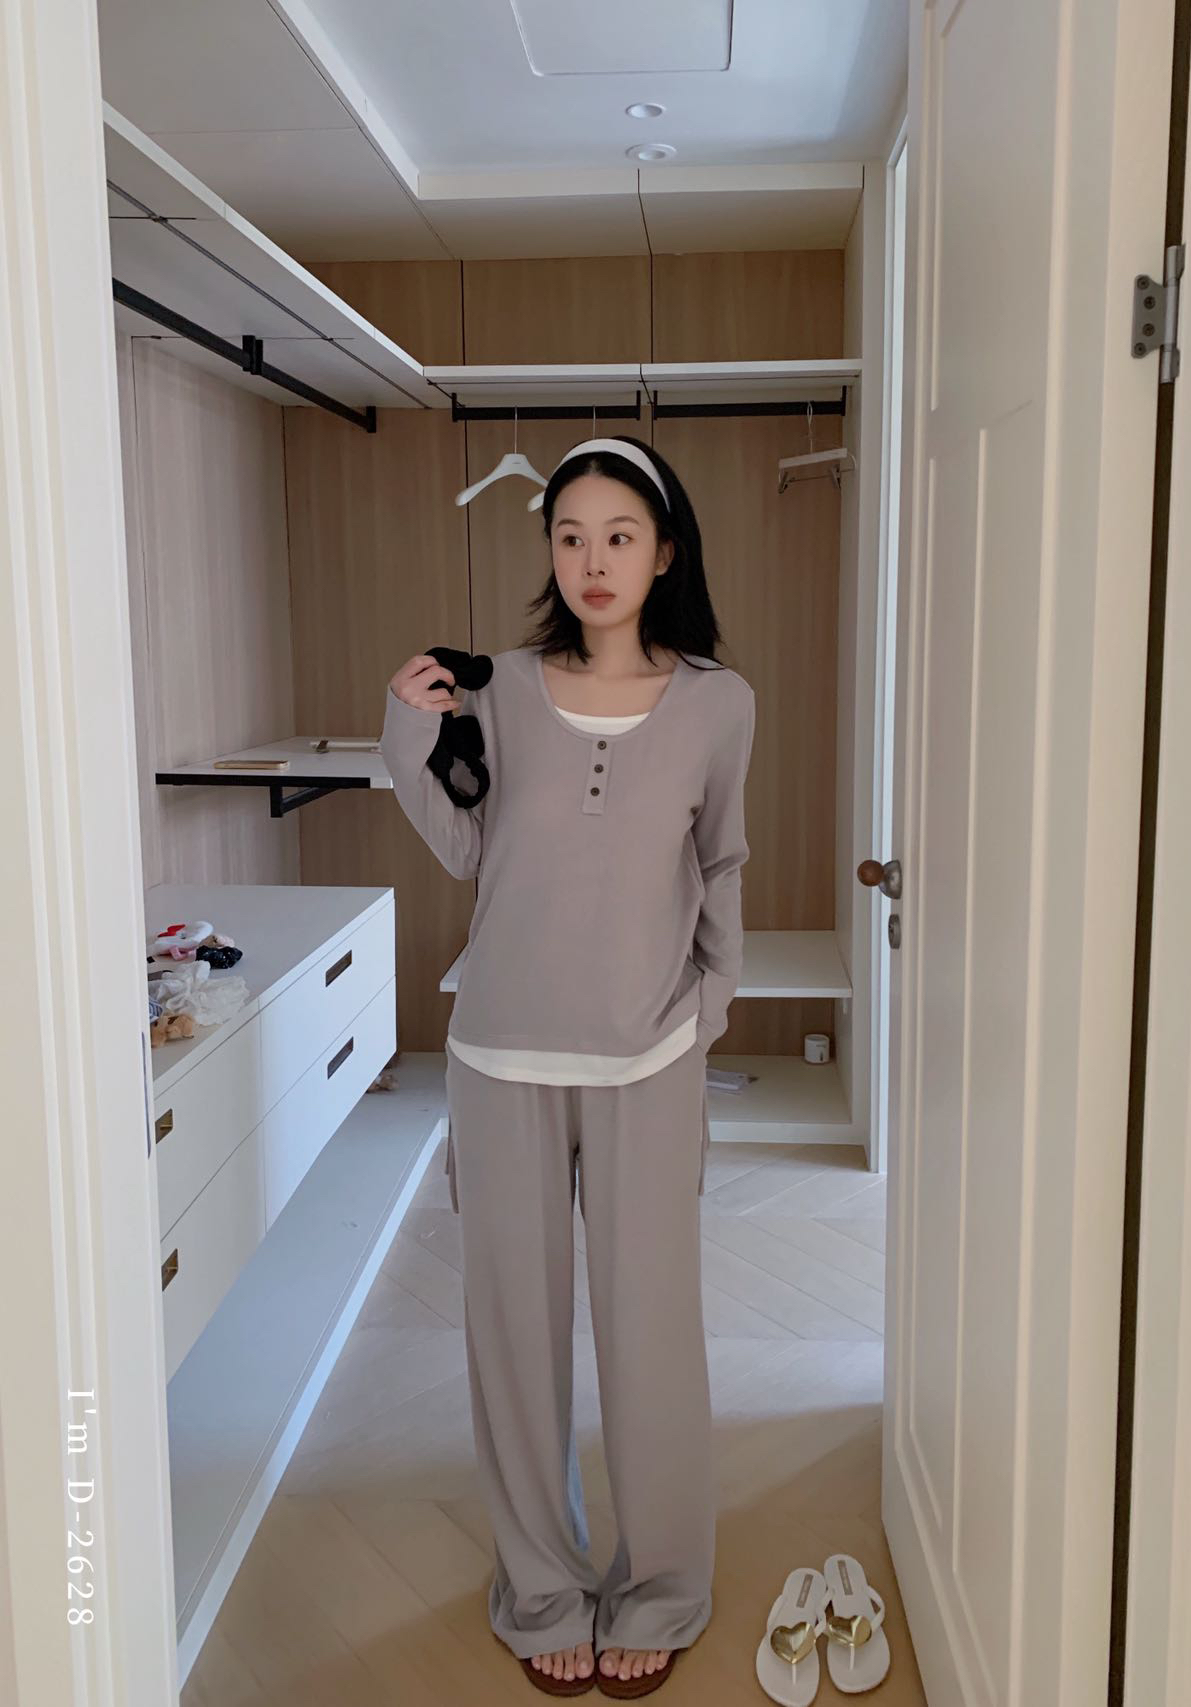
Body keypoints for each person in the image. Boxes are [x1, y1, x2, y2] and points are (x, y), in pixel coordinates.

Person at [381, 435, 755, 1698]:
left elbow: (719, 863)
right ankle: (540, 1591)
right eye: (570, 536)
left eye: (619, 536)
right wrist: (407, 728)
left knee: (652, 1340)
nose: (593, 560)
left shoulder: (718, 702)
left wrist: (706, 1008)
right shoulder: (499, 693)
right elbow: (463, 849)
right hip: (499, 1053)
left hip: (649, 1055)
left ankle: (663, 1585)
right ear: (549, 551)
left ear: (664, 552)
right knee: (513, 1340)